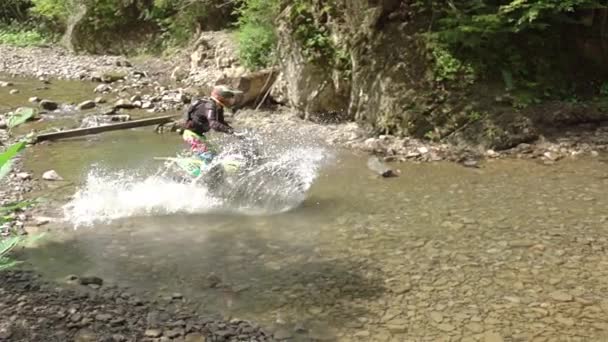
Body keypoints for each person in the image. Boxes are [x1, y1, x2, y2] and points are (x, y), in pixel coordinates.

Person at [181, 85, 243, 164]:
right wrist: (230, 131)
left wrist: (235, 133)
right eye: (228, 97)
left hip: (198, 136)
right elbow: (213, 123)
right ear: (220, 97)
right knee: (209, 157)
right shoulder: (210, 105)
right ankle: (204, 169)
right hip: (191, 135)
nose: (230, 100)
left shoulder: (218, 107)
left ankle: (198, 161)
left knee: (215, 155)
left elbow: (221, 122)